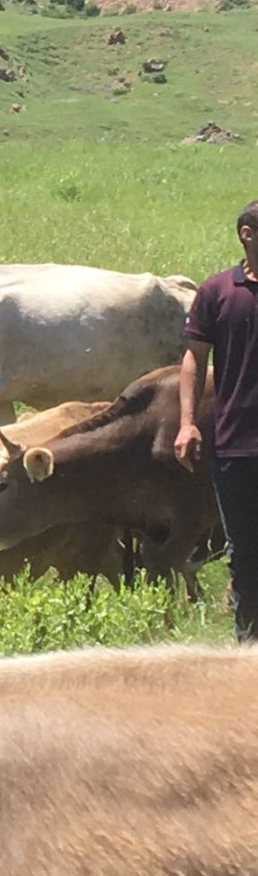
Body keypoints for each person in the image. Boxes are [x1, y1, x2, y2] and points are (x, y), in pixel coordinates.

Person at [175, 199, 258, 641]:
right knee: (244, 555)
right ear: (247, 234)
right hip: (236, 445)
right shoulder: (216, 292)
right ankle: (249, 652)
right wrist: (187, 422)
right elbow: (194, 359)